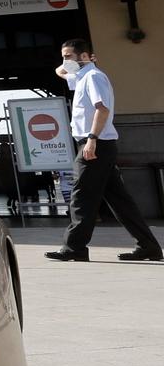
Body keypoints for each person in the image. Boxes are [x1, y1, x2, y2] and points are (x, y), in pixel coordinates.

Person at [45, 38, 163, 263]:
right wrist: (70, 62)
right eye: (64, 56)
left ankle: (74, 247)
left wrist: (92, 139)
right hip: (99, 144)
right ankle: (148, 247)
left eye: (69, 56)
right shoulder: (81, 77)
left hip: (95, 144)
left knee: (81, 195)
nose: (65, 60)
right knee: (120, 201)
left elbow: (103, 109)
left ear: (84, 56)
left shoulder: (94, 77)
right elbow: (59, 71)